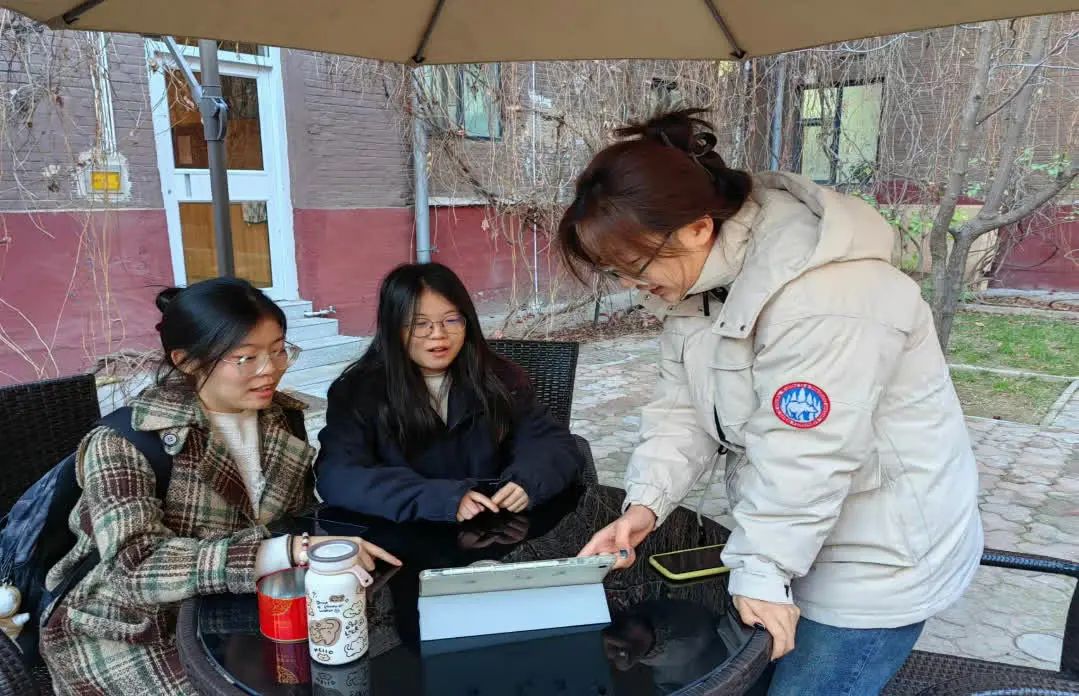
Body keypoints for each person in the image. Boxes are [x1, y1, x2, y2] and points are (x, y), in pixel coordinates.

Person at [562, 109, 982, 695]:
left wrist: (761, 569)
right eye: (615, 271)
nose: (631, 285)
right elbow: (681, 411)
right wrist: (645, 505)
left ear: (698, 228)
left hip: (878, 556)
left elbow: (806, 451)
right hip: (798, 533)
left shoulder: (827, 295)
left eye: (635, 265)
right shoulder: (701, 287)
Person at [41, 278, 400, 695]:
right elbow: (136, 567)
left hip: (242, 607)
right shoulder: (125, 441)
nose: (271, 369)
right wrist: (289, 550)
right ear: (187, 361)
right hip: (133, 626)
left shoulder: (281, 417)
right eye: (245, 358)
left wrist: (325, 553)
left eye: (278, 350)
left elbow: (292, 517)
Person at [315, 262, 582, 523]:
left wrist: (528, 481)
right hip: (404, 535)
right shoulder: (357, 392)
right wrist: (442, 499)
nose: (438, 335)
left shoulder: (500, 379)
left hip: (496, 528)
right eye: (419, 324)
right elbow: (338, 474)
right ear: (393, 328)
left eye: (451, 320)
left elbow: (552, 442)